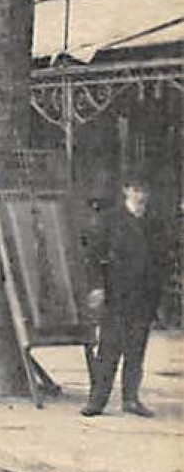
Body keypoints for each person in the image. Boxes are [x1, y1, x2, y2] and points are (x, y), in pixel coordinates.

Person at [82, 177, 166, 417]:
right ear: (126, 190)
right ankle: (97, 401)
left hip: (144, 297)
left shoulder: (154, 223)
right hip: (116, 295)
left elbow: (162, 258)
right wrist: (97, 287)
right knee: (109, 350)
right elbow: (93, 256)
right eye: (136, 190)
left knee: (136, 350)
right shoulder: (110, 220)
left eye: (144, 190)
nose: (140, 195)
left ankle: (131, 399)